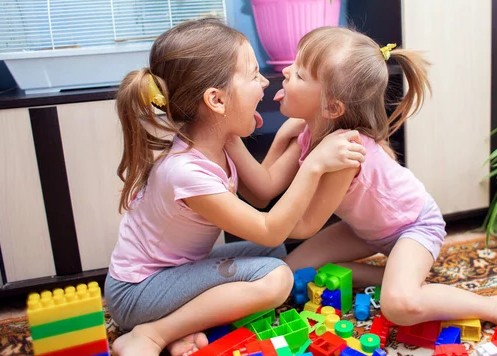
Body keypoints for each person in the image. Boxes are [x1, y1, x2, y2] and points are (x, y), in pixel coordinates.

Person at [226, 26, 497, 351]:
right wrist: (239, 134)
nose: (285, 72)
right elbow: (263, 189)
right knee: (293, 273)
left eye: (298, 74)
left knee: (399, 306)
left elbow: (301, 226)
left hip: (414, 227)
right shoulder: (308, 130)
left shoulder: (345, 150)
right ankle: (392, 276)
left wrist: (311, 165)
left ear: (331, 107)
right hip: (366, 229)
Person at [105, 19, 367, 356]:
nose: (263, 83)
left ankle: (184, 326)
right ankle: (151, 334)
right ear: (216, 100)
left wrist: (297, 138)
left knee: (276, 257)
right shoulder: (185, 171)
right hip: (137, 294)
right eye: (254, 75)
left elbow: (261, 190)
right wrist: (316, 165)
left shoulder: (221, 138)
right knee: (276, 278)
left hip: (172, 275)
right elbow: (269, 228)